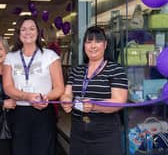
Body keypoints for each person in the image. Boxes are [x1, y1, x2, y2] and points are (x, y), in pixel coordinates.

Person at [61, 26, 128, 155]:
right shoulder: (77, 70)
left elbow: (119, 101)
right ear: (84, 45)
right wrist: (66, 101)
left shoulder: (116, 70)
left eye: (98, 41)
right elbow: (67, 93)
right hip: (78, 132)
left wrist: (94, 106)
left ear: (105, 44)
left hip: (105, 134)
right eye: (89, 41)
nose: (93, 46)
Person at [3, 15, 64, 155]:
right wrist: (27, 96)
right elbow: (8, 87)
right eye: (23, 29)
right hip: (19, 114)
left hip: (43, 112)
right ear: (18, 33)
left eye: (32, 28)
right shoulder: (10, 57)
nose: (28, 32)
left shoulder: (50, 56)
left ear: (38, 31)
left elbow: (59, 87)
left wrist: (42, 98)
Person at [0, 36, 16, 155]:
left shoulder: (14, 71)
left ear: (5, 50)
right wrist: (3, 103)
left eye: (0, 49)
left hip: (13, 124)